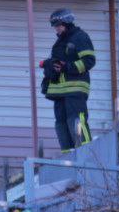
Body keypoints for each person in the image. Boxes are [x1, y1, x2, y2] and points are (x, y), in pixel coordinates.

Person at [40, 8, 96, 153]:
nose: (56, 30)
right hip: (59, 92)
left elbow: (89, 61)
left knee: (76, 120)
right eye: (55, 26)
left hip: (75, 89)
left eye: (58, 26)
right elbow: (57, 64)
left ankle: (86, 154)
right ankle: (68, 157)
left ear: (67, 22)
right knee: (61, 124)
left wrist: (67, 67)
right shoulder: (59, 43)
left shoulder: (80, 37)